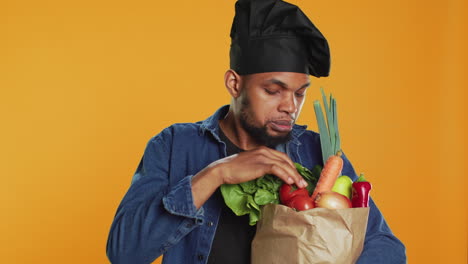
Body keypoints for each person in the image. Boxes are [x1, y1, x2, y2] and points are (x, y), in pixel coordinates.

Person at [106, 0, 406, 263]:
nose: (290, 106)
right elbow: (124, 253)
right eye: (274, 91)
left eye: (300, 93)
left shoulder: (320, 152)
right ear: (234, 84)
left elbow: (387, 248)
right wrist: (214, 174)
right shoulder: (174, 145)